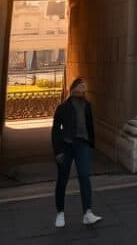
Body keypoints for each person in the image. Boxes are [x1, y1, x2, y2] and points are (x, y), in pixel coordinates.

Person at [51, 77, 102, 228]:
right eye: (80, 86)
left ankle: (87, 213)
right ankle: (60, 213)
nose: (83, 88)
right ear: (73, 88)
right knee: (63, 179)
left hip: (82, 145)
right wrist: (58, 151)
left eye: (84, 86)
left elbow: (90, 125)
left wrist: (91, 144)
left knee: (84, 177)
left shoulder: (87, 105)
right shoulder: (63, 107)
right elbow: (55, 130)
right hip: (66, 145)